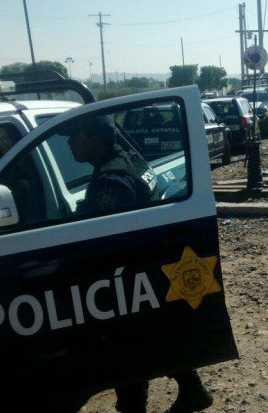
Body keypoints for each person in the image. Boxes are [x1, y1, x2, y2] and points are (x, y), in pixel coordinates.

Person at [64, 115, 213, 413]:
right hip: (148, 266)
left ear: (95, 139)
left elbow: (110, 240)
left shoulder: (111, 181)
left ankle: (140, 405)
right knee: (154, 336)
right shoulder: (129, 159)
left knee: (128, 348)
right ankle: (193, 390)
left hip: (128, 276)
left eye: (75, 136)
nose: (69, 143)